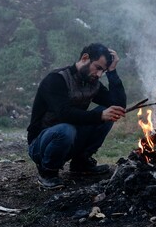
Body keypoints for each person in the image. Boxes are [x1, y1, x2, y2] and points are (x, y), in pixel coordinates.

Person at [27, 43, 126, 189]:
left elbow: (119, 105)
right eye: (98, 68)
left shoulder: (92, 83)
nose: (99, 74)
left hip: (70, 139)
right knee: (66, 129)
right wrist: (99, 116)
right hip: (41, 144)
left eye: (103, 71)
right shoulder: (56, 79)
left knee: (110, 111)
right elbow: (64, 114)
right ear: (85, 58)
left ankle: (81, 163)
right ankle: (47, 172)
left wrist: (112, 71)